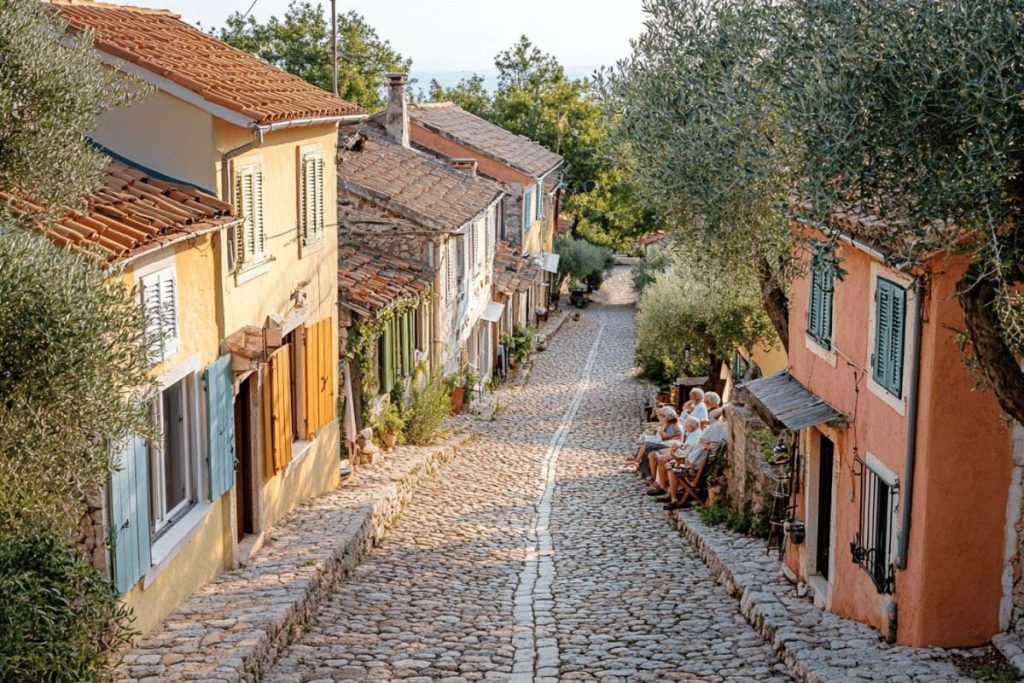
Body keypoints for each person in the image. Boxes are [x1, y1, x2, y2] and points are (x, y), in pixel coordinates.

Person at [663, 407, 729, 510]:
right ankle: (672, 494)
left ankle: (674, 499)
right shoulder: (728, 431)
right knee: (674, 465)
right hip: (711, 471)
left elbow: (693, 459)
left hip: (698, 472)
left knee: (673, 470)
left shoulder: (713, 429)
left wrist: (703, 445)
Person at [646, 415, 701, 497]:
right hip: (681, 452)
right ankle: (657, 482)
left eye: (687, 425)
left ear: (692, 426)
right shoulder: (692, 433)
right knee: (653, 454)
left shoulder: (696, 435)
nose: (685, 427)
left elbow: (686, 451)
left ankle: (663, 486)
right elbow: (685, 446)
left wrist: (676, 450)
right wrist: (678, 447)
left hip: (684, 457)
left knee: (661, 459)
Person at [632, 406, 682, 479]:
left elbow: (665, 437)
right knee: (648, 449)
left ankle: (637, 461)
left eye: (662, 416)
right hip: (666, 443)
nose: (660, 418)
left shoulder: (673, 424)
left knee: (646, 445)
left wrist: (660, 431)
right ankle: (644, 471)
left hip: (670, 445)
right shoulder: (667, 423)